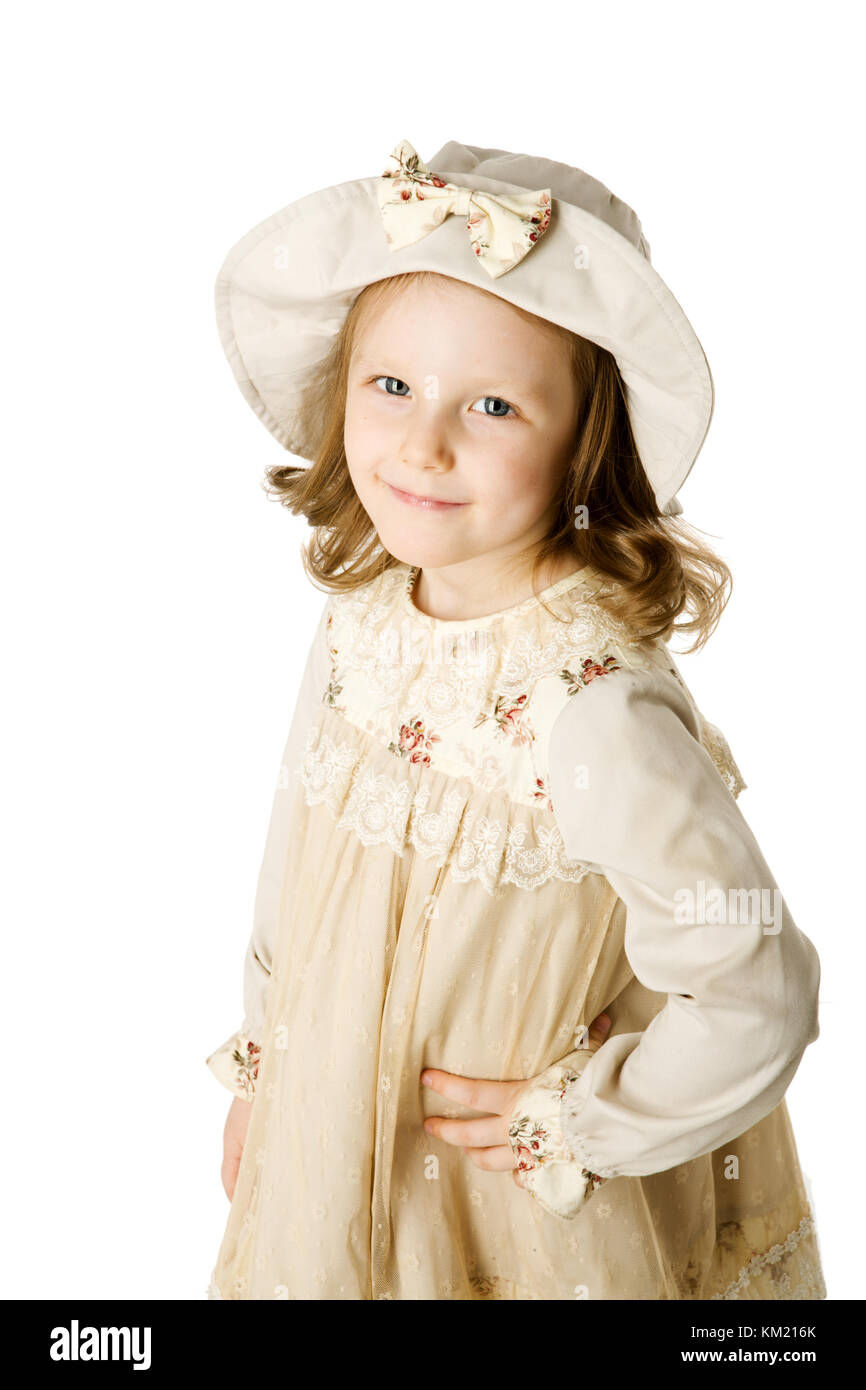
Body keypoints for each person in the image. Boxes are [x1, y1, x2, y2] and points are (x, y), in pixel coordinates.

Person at [203, 139, 825, 1300]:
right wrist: (267, 1069)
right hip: (342, 1155)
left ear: (582, 442)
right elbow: (298, 866)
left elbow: (754, 979)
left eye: (492, 404)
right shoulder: (362, 619)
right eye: (390, 385)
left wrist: (582, 1123)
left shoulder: (588, 704)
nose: (422, 442)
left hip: (507, 1217)